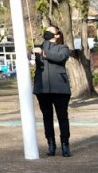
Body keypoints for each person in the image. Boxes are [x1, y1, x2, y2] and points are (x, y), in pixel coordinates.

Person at [32, 26, 72, 157]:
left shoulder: (63, 48)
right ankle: (51, 144)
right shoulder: (38, 47)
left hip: (60, 89)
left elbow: (60, 58)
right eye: (46, 31)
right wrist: (30, 53)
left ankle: (65, 145)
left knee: (62, 117)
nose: (46, 33)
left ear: (57, 35)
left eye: (50, 31)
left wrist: (43, 53)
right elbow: (28, 56)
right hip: (42, 89)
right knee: (47, 117)